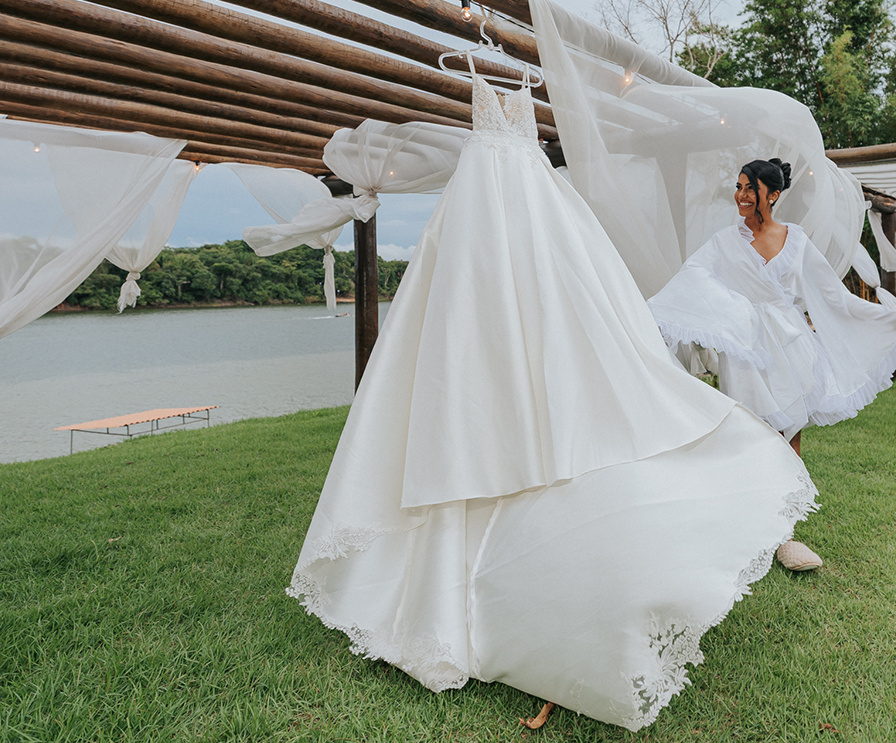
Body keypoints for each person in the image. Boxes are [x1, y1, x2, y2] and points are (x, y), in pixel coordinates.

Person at [287, 63, 818, 731]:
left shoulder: (518, 109)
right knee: (473, 340)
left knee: (551, 340)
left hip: (524, 214)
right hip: (488, 217)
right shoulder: (489, 103)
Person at [647, 159, 896, 568]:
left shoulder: (795, 240)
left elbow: (831, 294)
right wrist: (657, 314)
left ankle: (785, 534)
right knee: (752, 434)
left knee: (790, 435)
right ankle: (749, 524)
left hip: (792, 347)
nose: (741, 196)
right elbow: (693, 278)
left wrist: (891, 320)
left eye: (750, 188)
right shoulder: (724, 242)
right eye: (739, 187)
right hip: (747, 352)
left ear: (773, 195)